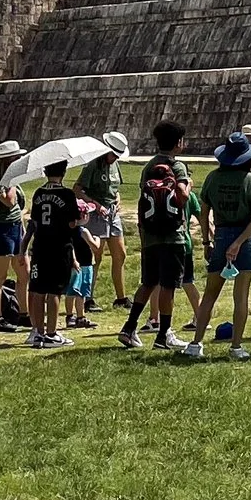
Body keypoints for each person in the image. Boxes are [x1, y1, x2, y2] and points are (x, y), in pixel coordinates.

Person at [182, 132, 251, 361]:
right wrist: (239, 242)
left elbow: (203, 212)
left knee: (210, 294)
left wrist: (207, 241)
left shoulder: (213, 178)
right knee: (241, 297)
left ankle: (196, 343)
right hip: (246, 238)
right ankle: (236, 346)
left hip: (220, 236)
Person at [121, 131, 199, 351]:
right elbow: (183, 196)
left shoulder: (149, 166)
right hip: (172, 235)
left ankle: (129, 327)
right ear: (178, 143)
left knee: (148, 283)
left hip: (150, 234)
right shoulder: (178, 166)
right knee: (168, 286)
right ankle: (164, 334)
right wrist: (189, 185)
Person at [24, 157, 90, 349]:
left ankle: (38, 331)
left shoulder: (38, 193)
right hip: (60, 247)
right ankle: (51, 333)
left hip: (40, 245)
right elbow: (71, 222)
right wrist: (81, 222)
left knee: (38, 290)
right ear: (64, 173)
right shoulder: (67, 195)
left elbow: (35, 221)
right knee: (54, 291)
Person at [72, 131, 132, 309]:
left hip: (112, 214)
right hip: (96, 215)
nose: (114, 158)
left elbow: (116, 189)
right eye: (113, 154)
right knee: (95, 255)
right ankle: (87, 297)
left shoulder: (115, 166)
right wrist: (95, 204)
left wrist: (118, 200)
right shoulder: (92, 166)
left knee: (120, 254)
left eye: (117, 155)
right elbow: (77, 189)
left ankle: (121, 298)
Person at [0, 140, 29, 330]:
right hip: (2, 230)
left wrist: (24, 232)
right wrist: (11, 180)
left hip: (16, 228)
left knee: (24, 273)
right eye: (15, 159)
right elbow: (9, 202)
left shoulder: (12, 181)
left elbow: (18, 208)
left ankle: (23, 313)